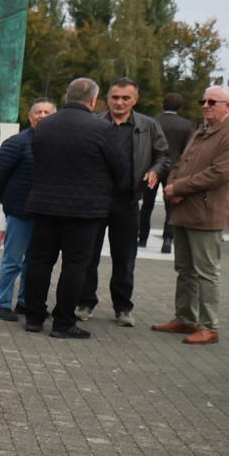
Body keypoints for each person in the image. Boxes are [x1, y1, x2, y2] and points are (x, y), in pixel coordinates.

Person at [20, 78, 127, 340]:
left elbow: (38, 160)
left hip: (44, 205)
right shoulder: (102, 129)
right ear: (93, 100)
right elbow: (119, 168)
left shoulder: (44, 127)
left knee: (39, 260)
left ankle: (34, 317)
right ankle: (63, 322)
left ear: (67, 96)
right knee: (75, 265)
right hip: (84, 210)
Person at [153, 86, 229, 344]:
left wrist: (178, 187)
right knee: (184, 268)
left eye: (212, 101)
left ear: (227, 106)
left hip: (208, 212)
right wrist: (171, 184)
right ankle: (185, 318)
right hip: (184, 209)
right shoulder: (201, 131)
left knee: (206, 272)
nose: (205, 105)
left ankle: (209, 326)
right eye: (203, 100)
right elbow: (182, 162)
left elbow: (219, 173)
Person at [77, 78, 168, 326]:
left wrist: (155, 170)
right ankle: (85, 303)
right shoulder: (94, 122)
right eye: (115, 97)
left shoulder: (148, 126)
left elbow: (163, 155)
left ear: (134, 100)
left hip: (127, 201)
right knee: (88, 256)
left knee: (125, 258)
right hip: (95, 201)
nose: (119, 102)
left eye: (125, 98)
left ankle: (123, 307)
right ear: (107, 98)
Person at [0, 98, 55, 320]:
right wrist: (9, 203)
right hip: (20, 212)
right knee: (13, 260)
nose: (43, 115)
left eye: (48, 112)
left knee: (34, 262)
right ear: (30, 116)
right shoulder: (16, 143)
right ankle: (2, 303)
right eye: (38, 112)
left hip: (45, 213)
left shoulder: (58, 144)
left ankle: (26, 302)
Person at [147, 94, 196, 251]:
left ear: (162, 104)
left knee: (147, 205)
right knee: (171, 207)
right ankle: (167, 239)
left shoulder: (152, 122)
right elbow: (188, 151)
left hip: (153, 167)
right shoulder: (186, 125)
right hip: (174, 170)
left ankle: (141, 237)